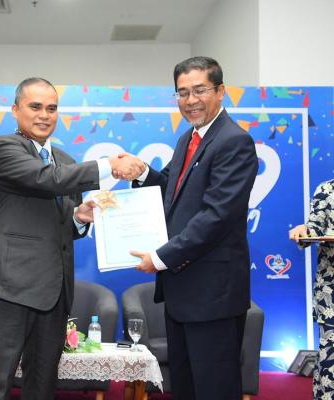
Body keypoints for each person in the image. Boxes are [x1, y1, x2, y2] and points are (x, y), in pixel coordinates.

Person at [0, 77, 141, 400]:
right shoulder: (3, 148)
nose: (44, 115)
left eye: (51, 108)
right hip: (8, 289)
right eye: (35, 107)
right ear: (15, 110)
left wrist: (78, 218)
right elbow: (44, 179)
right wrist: (109, 165)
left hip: (54, 293)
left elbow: (60, 223)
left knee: (43, 386)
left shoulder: (65, 160)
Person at [118, 57, 259, 399]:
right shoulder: (189, 138)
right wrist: (141, 172)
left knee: (213, 389)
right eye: (182, 93)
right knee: (185, 387)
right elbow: (171, 188)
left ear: (220, 91)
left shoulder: (233, 142)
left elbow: (216, 216)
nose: (190, 100)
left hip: (213, 295)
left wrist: (160, 257)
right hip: (182, 292)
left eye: (199, 90)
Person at [289, 179, 334, 398]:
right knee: (331, 357)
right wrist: (304, 229)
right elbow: (314, 228)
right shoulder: (327, 189)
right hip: (331, 290)